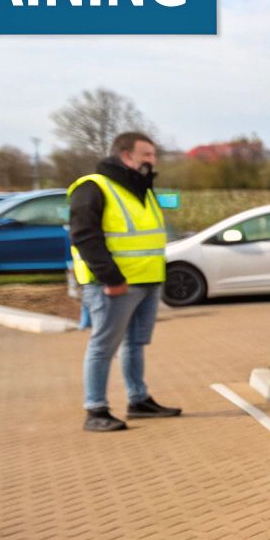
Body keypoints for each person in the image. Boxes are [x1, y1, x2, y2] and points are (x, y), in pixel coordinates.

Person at [67, 131, 183, 432]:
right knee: (103, 346)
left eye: (153, 155)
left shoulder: (141, 189)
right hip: (114, 285)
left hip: (147, 280)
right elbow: (84, 237)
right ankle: (96, 410)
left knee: (135, 344)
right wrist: (111, 278)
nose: (152, 161)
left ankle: (139, 401)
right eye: (146, 154)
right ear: (125, 155)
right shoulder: (94, 188)